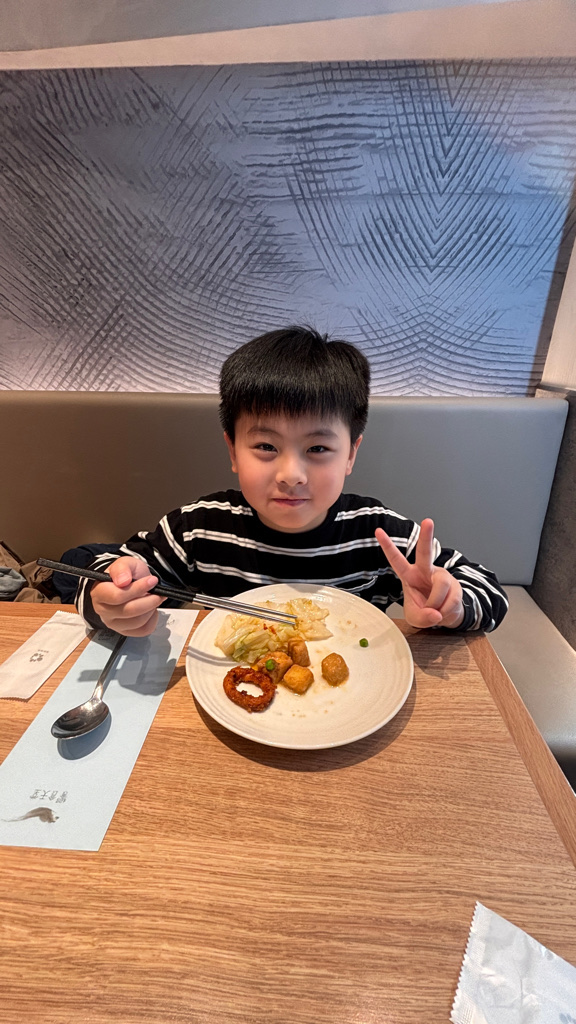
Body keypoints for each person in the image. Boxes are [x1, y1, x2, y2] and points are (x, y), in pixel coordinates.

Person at [77, 326, 508, 637]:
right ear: (233, 451)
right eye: (265, 446)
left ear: (351, 454)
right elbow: (106, 572)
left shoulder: (379, 534)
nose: (291, 475)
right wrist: (109, 597)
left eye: (318, 448)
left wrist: (450, 605)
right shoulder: (198, 528)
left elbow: (490, 590)